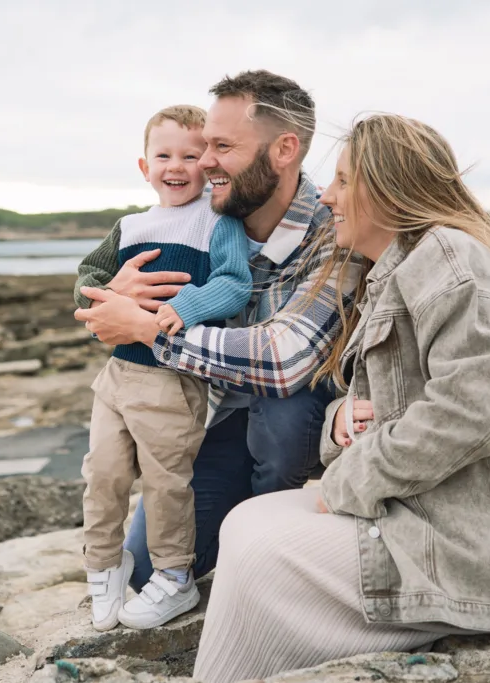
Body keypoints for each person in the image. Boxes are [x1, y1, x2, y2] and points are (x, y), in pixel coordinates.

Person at [192, 113, 490, 683]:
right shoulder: (399, 269)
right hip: (455, 515)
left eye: (342, 182)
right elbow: (399, 399)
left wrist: (347, 483)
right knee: (246, 522)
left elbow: (472, 414)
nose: (327, 199)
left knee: (264, 550)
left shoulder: (450, 261)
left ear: (386, 189)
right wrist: (344, 416)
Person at [74, 70, 363, 594]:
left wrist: (148, 329)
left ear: (284, 150)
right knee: (144, 573)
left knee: (282, 407)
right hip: (225, 413)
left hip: (308, 420)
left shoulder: (336, 233)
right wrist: (113, 297)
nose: (203, 162)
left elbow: (284, 360)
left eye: (221, 146)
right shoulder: (196, 226)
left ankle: (274, 555)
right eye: (203, 145)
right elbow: (107, 305)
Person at [77, 104, 253, 631]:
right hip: (116, 375)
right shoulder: (129, 226)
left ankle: (175, 577)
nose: (176, 166)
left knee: (166, 483)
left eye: (190, 155)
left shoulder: (218, 222)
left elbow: (234, 283)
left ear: (208, 163)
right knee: (101, 475)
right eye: (163, 155)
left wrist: (183, 308)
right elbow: (90, 273)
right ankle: (104, 565)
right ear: (143, 165)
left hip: (172, 378)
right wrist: (107, 293)